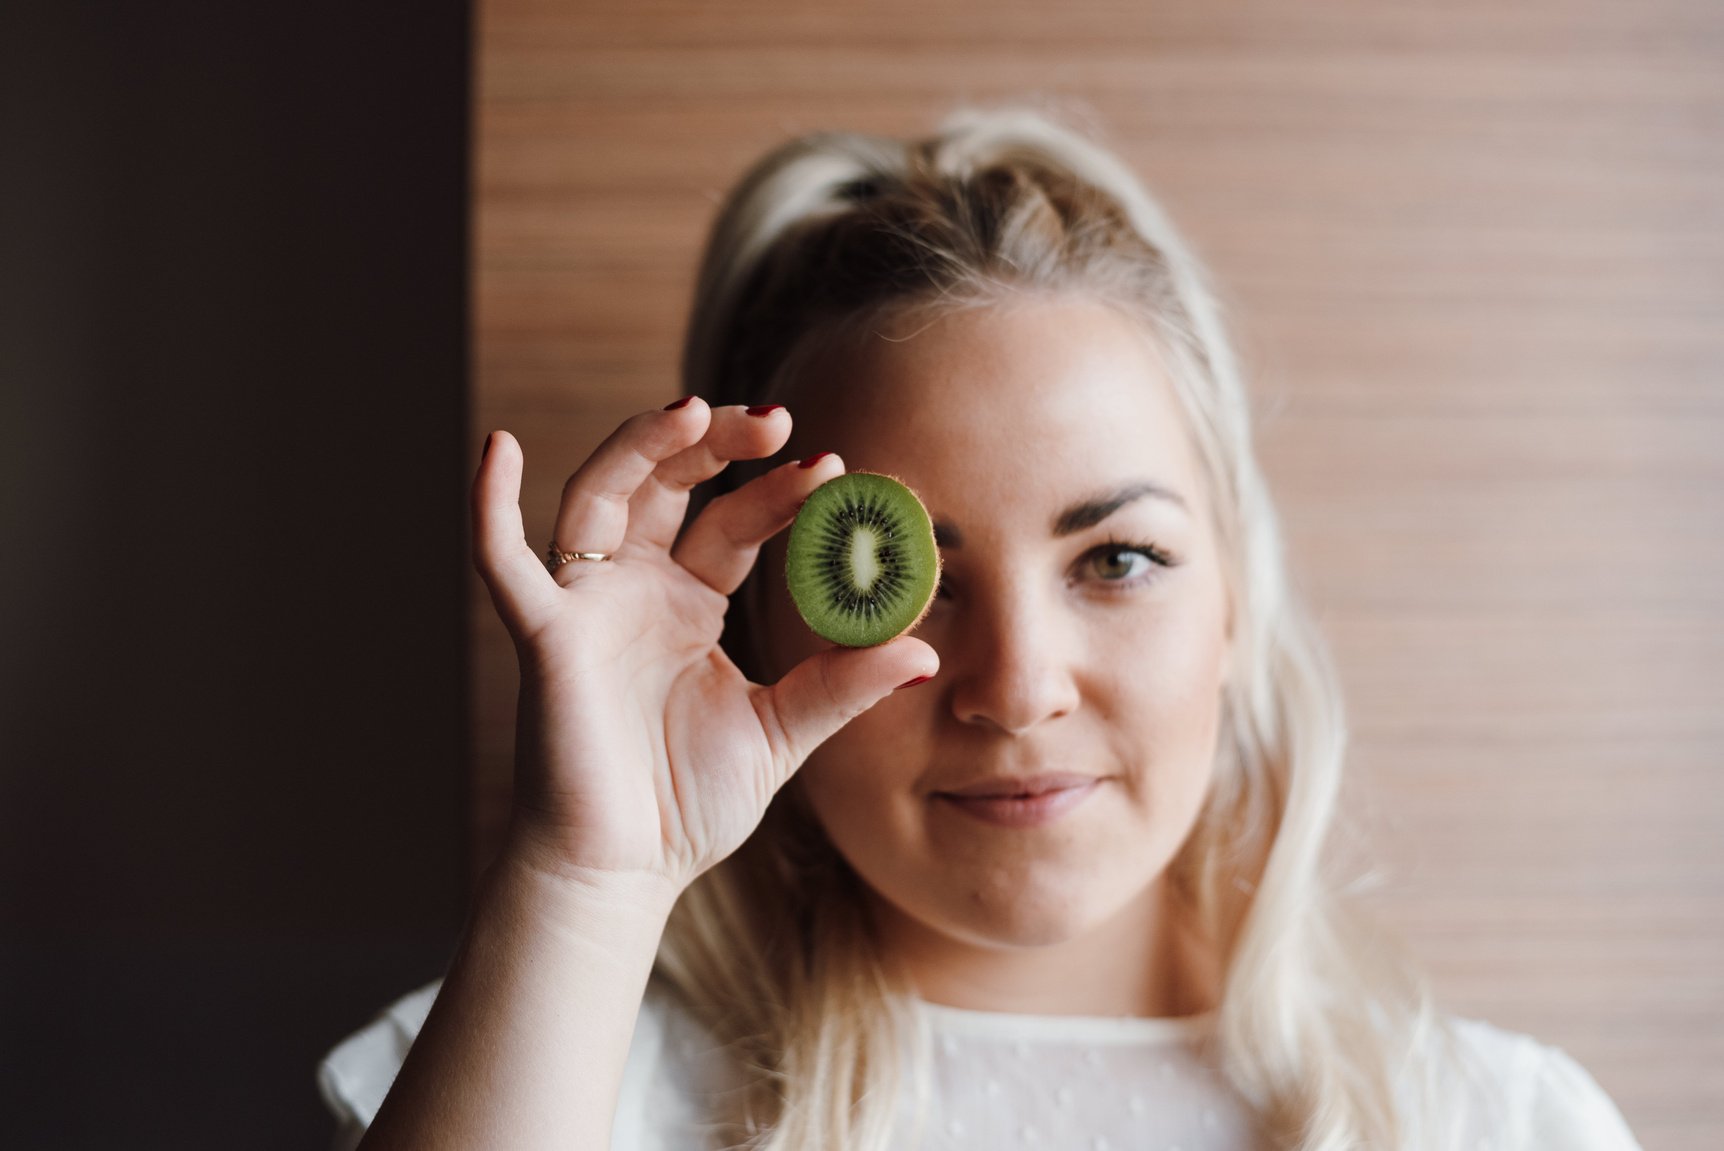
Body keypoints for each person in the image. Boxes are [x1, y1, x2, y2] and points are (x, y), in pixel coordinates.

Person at [317, 104, 1644, 1150]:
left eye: (1117, 557)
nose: (1014, 689)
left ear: (1238, 601)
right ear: (763, 630)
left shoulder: (1502, 1126)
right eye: (914, 577)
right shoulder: (545, 1085)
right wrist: (591, 879)